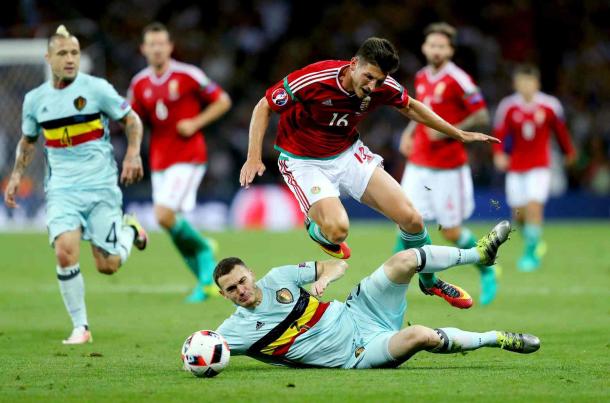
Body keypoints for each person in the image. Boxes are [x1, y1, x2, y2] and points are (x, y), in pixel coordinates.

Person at [239, 37, 499, 309]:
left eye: (379, 80)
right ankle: (317, 229)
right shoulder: (315, 79)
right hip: (304, 161)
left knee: (412, 219)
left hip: (348, 153)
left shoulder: (382, 86)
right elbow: (264, 105)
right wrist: (253, 157)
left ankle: (430, 281)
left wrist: (457, 133)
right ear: (353, 65)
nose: (373, 86)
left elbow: (410, 105)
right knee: (338, 232)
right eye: (369, 77)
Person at [215, 221, 540, 369]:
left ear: (251, 273)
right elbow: (204, 350)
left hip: (359, 311)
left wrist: (325, 278)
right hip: (357, 353)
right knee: (420, 336)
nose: (241, 290)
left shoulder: (279, 278)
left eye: (242, 280)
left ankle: (478, 256)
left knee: (405, 259)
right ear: (223, 294)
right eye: (232, 289)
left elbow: (336, 264)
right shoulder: (234, 331)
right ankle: (496, 337)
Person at [3, 26, 148, 344]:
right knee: (65, 253)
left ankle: (131, 230)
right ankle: (81, 327)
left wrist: (133, 154)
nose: (70, 59)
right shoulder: (35, 100)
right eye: (63, 53)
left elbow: (132, 120)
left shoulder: (97, 89)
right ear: (48, 58)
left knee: (107, 265)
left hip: (101, 187)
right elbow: (28, 142)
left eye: (75, 53)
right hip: (62, 190)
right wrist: (16, 175)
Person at [128, 22, 232, 302]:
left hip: (189, 156)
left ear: (170, 47)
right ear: (143, 49)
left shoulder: (188, 74)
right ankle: (203, 275)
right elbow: (132, 120)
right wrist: (132, 150)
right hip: (159, 159)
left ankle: (205, 255)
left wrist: (196, 122)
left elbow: (223, 100)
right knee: (168, 222)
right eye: (152, 44)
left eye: (162, 43)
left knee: (163, 215)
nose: (157, 49)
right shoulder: (139, 83)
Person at [398, 22, 497, 305]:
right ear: (424, 48)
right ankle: (426, 280)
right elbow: (419, 112)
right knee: (405, 220)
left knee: (450, 231)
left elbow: (481, 116)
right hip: (418, 162)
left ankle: (486, 269)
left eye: (442, 46)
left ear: (450, 50)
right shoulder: (420, 76)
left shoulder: (460, 80)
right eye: (433, 45)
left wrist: (450, 129)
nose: (437, 50)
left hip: (448, 167)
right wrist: (408, 133)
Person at [492, 64, 576, 271]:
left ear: (537, 84)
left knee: (534, 207)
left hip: (540, 165)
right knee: (518, 214)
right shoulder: (508, 106)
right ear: (516, 84)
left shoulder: (549, 105)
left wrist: (569, 152)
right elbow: (499, 133)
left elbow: (561, 131)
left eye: (529, 82)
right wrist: (498, 154)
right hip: (516, 166)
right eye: (522, 82)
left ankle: (530, 255)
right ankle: (534, 241)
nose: (526, 86)